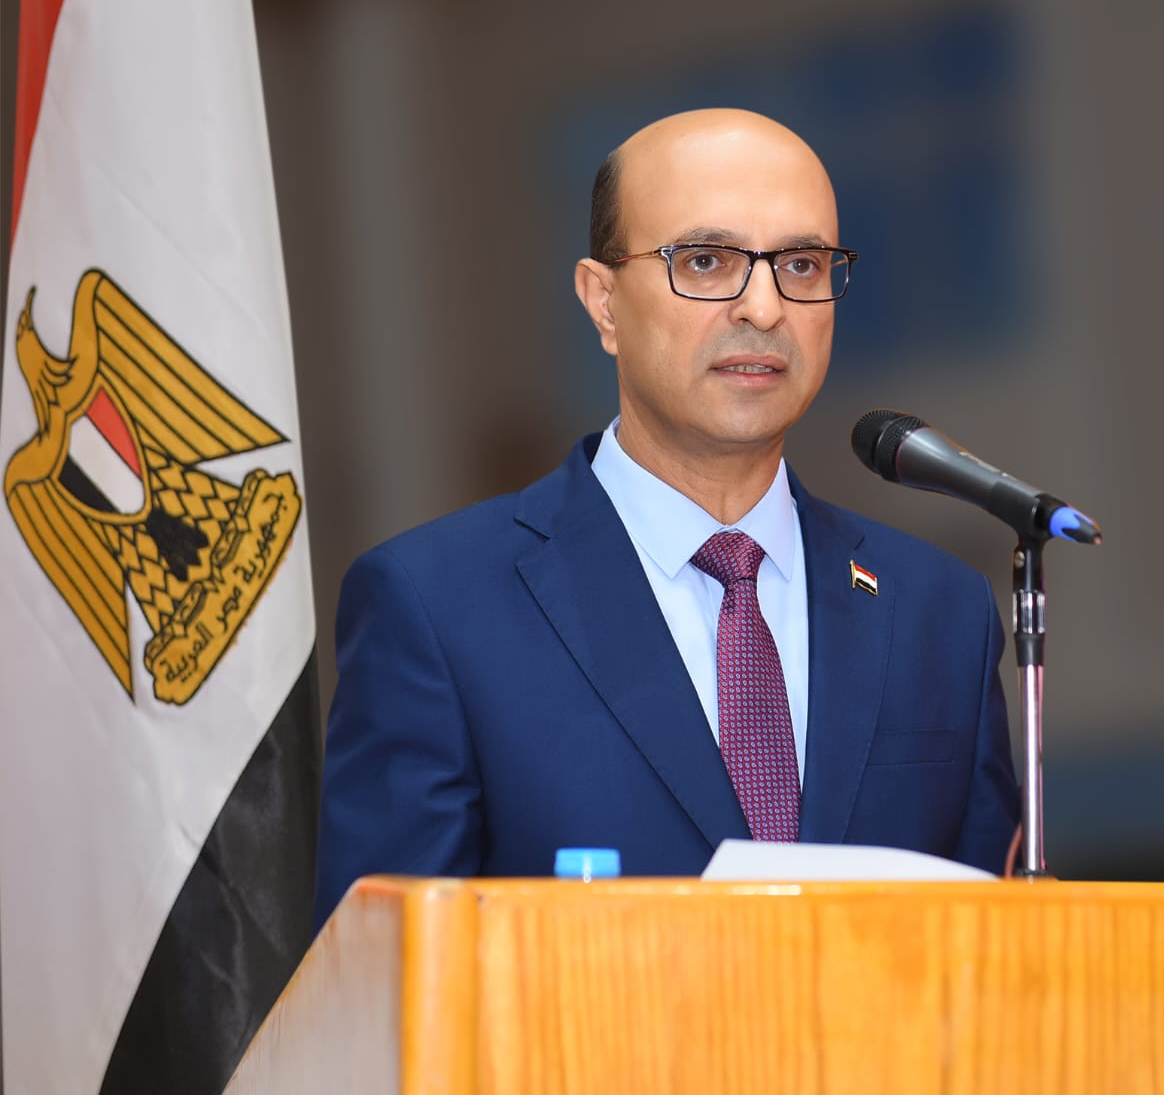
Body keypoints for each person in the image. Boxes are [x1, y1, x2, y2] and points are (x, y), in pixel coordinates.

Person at [312, 109, 1020, 929]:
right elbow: (385, 974)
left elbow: (998, 961)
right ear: (604, 302)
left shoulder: (938, 611)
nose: (764, 307)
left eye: (800, 264)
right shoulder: (438, 607)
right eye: (707, 261)